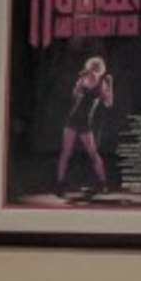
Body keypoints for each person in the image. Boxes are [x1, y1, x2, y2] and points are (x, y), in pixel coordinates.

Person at [53, 50, 116, 197]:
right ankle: (60, 185)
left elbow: (109, 104)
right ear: (89, 67)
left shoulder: (103, 83)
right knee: (66, 153)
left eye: (96, 68)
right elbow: (75, 95)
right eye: (91, 67)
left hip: (85, 123)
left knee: (93, 154)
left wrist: (111, 85)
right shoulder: (83, 78)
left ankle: (103, 184)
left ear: (100, 69)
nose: (93, 70)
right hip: (72, 119)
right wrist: (79, 83)